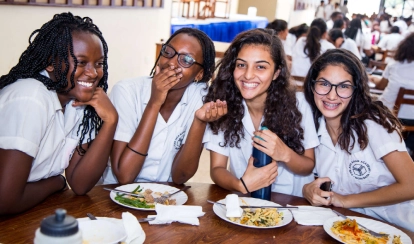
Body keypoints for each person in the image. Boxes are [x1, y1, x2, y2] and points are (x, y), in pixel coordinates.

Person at [0, 12, 118, 214]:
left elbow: (80, 184)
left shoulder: (76, 101)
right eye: (81, 62)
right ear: (50, 62)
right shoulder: (31, 98)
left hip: (29, 214)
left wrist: (111, 121)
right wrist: (56, 182)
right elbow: (4, 200)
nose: (93, 73)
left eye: (99, 64)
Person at [302, 49, 414, 232]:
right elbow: (313, 178)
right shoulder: (313, 126)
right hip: (347, 227)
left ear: (356, 90)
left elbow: (411, 185)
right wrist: (308, 189)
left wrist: (346, 200)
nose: (331, 95)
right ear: (312, 86)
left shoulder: (373, 125)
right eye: (324, 84)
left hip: (397, 227)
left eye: (343, 86)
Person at [102, 28, 227, 185]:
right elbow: (124, 176)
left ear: (199, 74)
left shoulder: (201, 97)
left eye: (186, 60)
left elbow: (180, 177)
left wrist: (199, 122)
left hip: (165, 196)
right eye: (168, 52)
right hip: (114, 193)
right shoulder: (126, 91)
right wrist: (154, 103)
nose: (172, 63)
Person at [203, 28, 319, 197]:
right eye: (241, 65)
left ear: (276, 73)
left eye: (260, 67)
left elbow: (308, 166)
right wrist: (240, 184)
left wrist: (285, 153)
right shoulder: (223, 105)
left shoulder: (299, 104)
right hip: (245, 204)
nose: (248, 75)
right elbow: (217, 169)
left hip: (291, 204)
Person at [375, 33, 414, 157]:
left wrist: (372, 78)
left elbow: (380, 86)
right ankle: (407, 148)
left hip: (390, 115)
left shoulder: (394, 65)